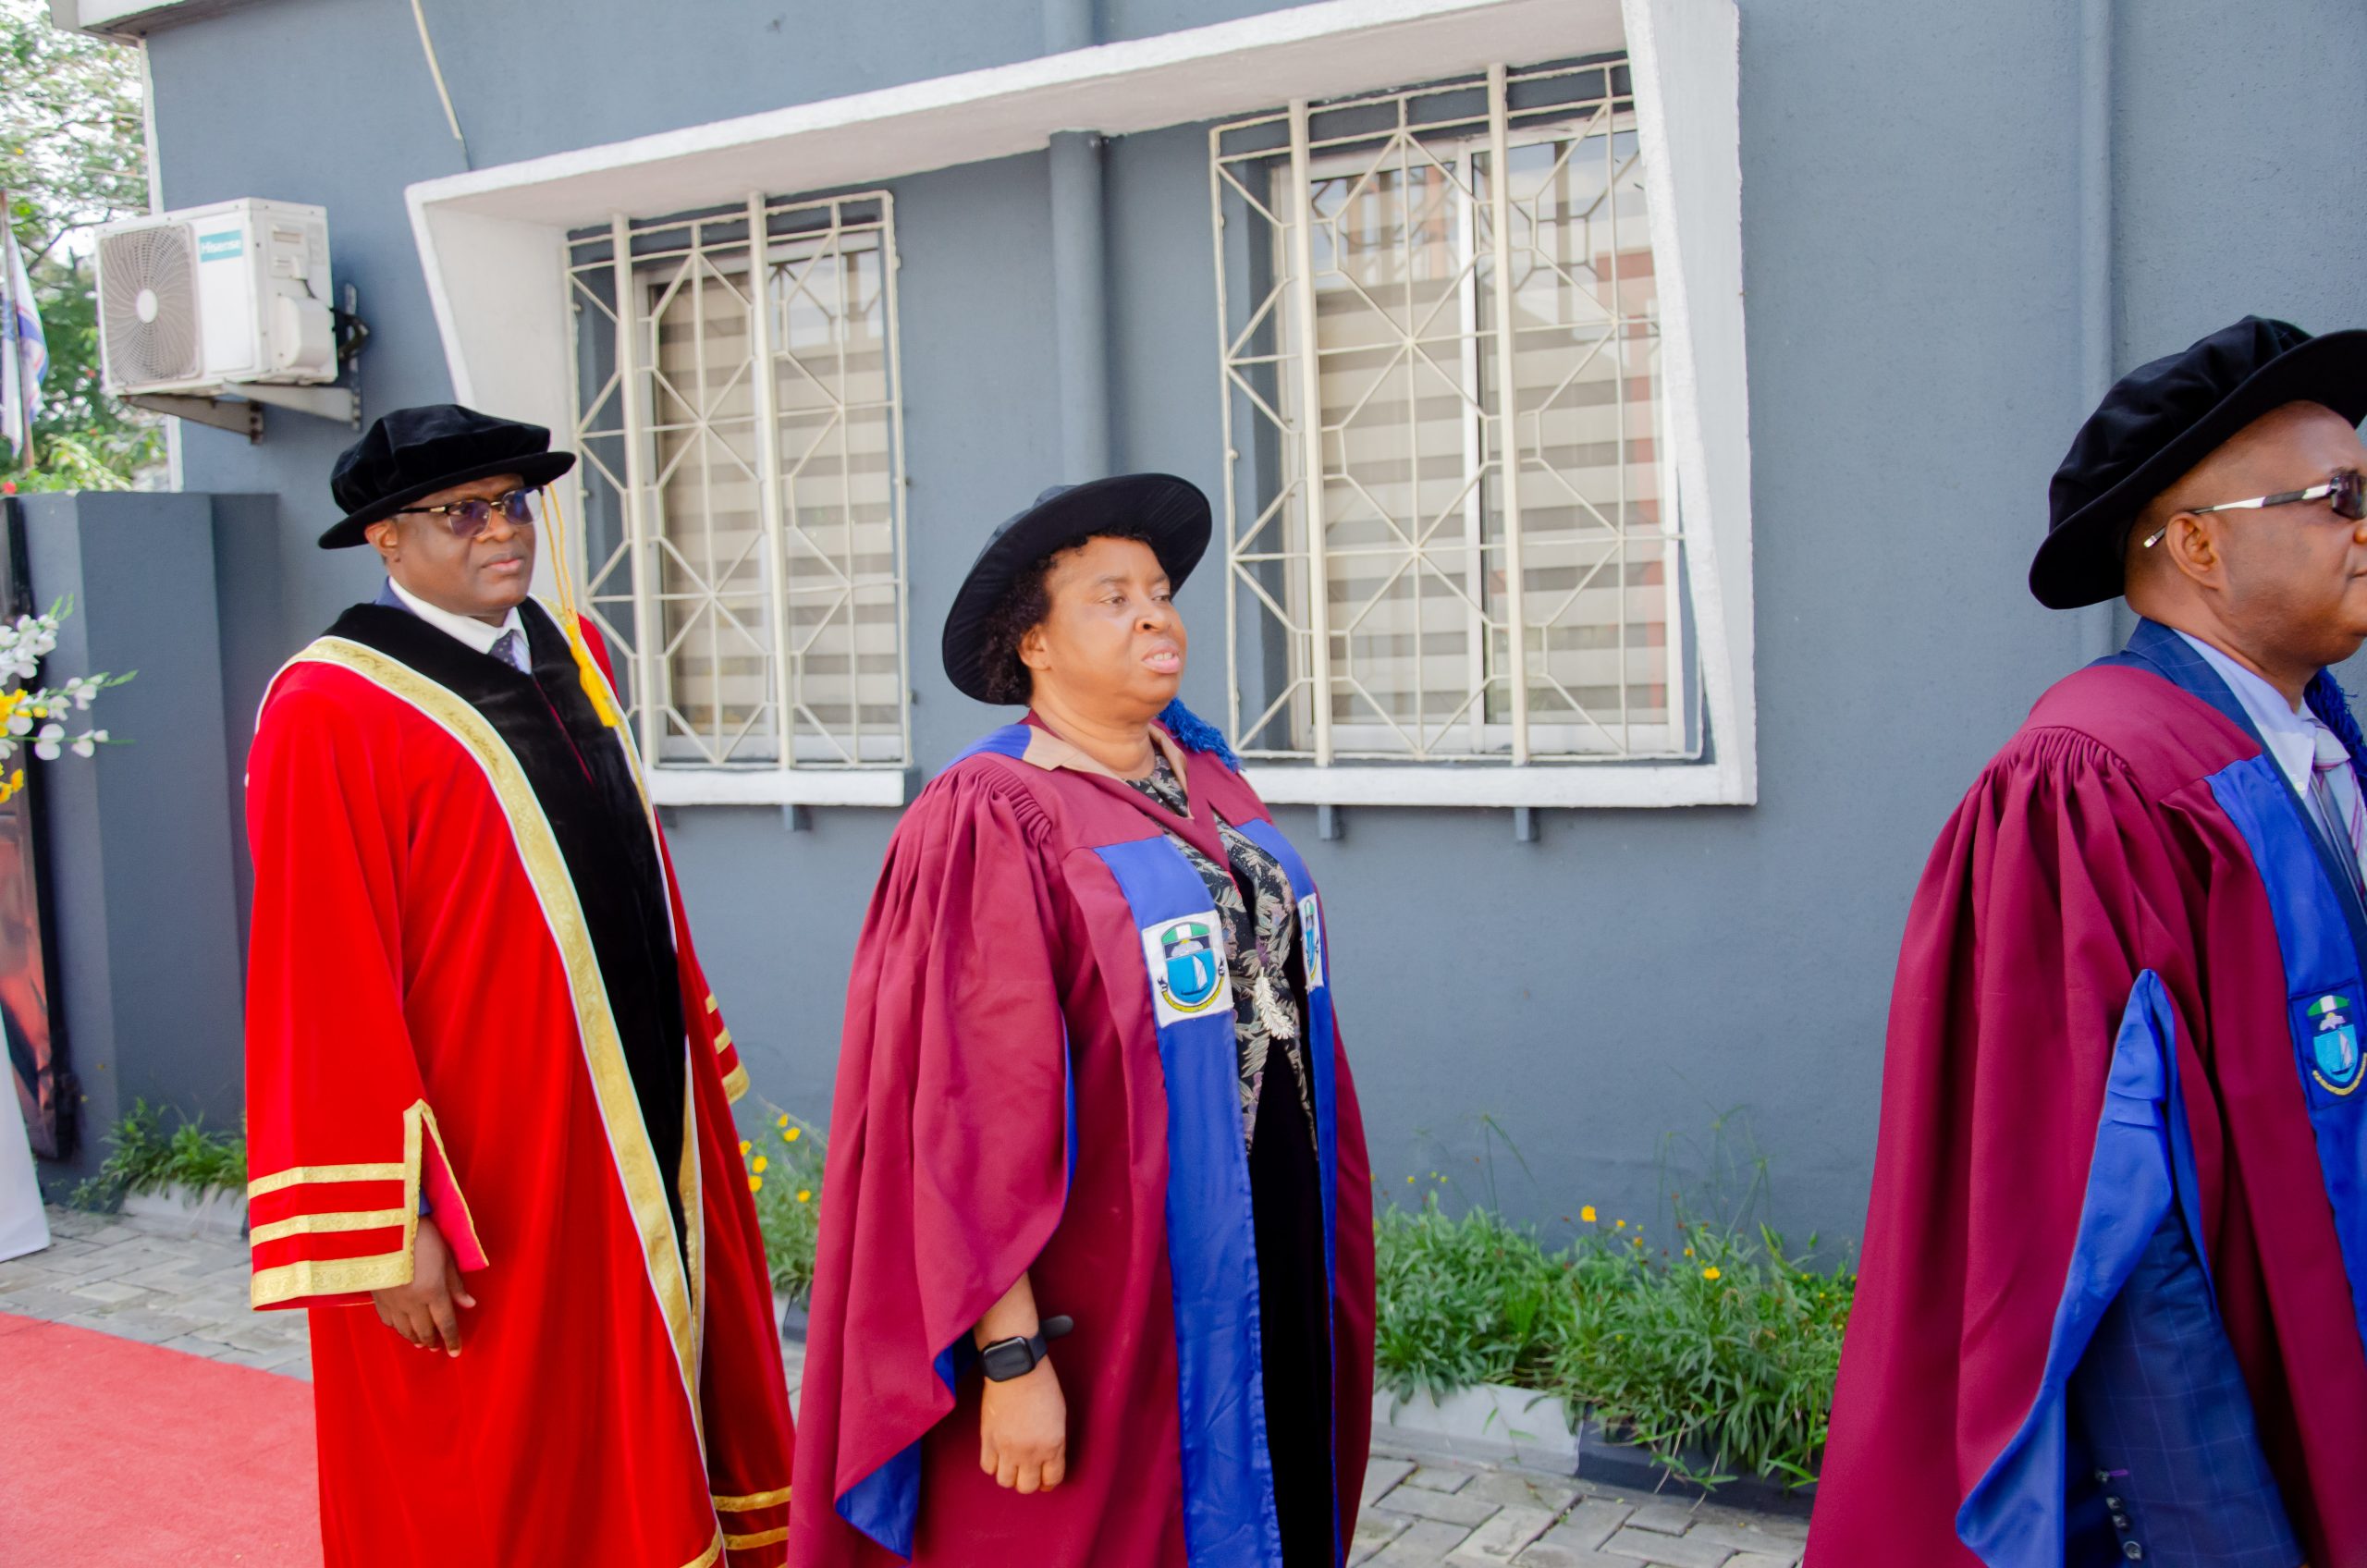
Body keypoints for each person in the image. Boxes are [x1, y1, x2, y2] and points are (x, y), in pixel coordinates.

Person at [1809, 318, 2367, 1566]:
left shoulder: (2311, 748)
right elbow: (2098, 1222)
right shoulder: (2089, 782)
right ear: (2201, 545)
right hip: (2231, 1437)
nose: (2364, 526)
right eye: (2341, 499)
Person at [242, 404, 794, 1568]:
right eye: (463, 512)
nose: (502, 531)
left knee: (656, 1387)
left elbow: (635, 870)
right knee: (511, 1453)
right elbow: (319, 974)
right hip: (491, 1157)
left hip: (631, 1110)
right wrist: (393, 1222)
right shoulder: (328, 705)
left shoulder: (571, 650)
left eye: (513, 503)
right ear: (385, 539)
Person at [789, 476, 1375, 1566]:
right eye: (1112, 598)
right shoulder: (994, 811)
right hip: (1111, 1292)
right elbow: (965, 1107)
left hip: (1264, 1244)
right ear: (1035, 645)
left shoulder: (1204, 779)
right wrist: (1010, 1356)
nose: (1155, 616)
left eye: (1159, 592)